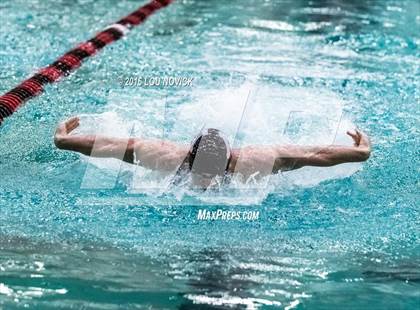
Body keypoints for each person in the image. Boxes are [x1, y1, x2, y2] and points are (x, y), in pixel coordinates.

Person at [54, 116, 371, 189]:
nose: (206, 180)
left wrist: (361, 152)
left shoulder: (256, 161)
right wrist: (64, 140)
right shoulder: (164, 157)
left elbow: (314, 154)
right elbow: (110, 146)